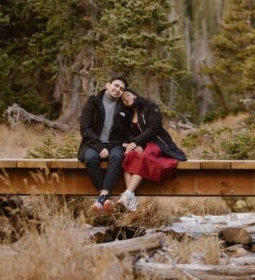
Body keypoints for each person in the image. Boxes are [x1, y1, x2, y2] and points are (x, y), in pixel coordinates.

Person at [116, 87, 187, 212]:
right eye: (122, 99)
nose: (125, 99)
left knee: (145, 157)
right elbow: (127, 132)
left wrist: (136, 141)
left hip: (157, 142)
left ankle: (127, 194)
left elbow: (153, 129)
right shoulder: (128, 114)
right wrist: (134, 144)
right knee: (128, 157)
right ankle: (130, 198)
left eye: (127, 95)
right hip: (140, 145)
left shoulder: (150, 107)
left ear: (135, 94)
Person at [77, 76, 130, 214]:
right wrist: (100, 147)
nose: (118, 90)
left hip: (114, 144)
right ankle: (105, 198)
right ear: (108, 85)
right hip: (93, 143)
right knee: (90, 158)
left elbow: (126, 129)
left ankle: (101, 199)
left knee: (117, 158)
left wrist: (128, 142)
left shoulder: (123, 107)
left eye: (121, 89)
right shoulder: (93, 102)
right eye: (116, 86)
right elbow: (85, 128)